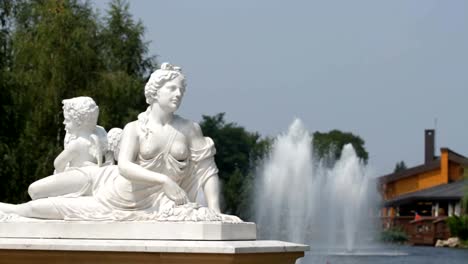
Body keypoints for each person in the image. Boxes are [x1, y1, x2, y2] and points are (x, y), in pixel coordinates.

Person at [0, 63, 233, 222]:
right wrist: (164, 180)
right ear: (154, 92)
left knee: (52, 208)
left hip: (140, 205)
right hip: (116, 189)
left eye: (181, 89)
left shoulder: (190, 129)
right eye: (171, 88)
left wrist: (215, 211)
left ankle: (9, 210)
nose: (178, 94)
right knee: (36, 190)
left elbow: (206, 171)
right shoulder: (135, 128)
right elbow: (124, 167)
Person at [29, 96, 108, 200]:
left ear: (79, 123)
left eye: (67, 120)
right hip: (92, 179)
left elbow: (57, 163)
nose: (64, 123)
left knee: (33, 190)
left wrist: (61, 175)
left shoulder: (76, 144)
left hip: (78, 179)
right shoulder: (101, 134)